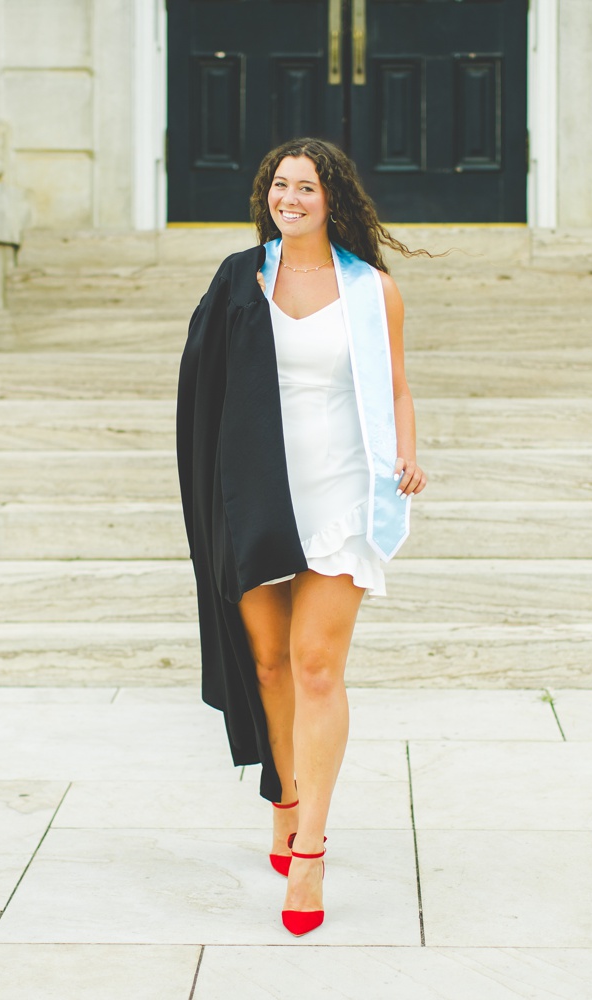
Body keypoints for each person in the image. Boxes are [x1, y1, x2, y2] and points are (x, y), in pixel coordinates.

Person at [176, 137, 428, 936]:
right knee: (270, 662)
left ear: (334, 199)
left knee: (318, 668)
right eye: (280, 185)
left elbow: (395, 386)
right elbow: (201, 389)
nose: (290, 198)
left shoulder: (371, 289)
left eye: (306, 187)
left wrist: (409, 453)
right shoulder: (240, 279)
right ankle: (283, 795)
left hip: (342, 493)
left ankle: (311, 849)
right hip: (255, 497)